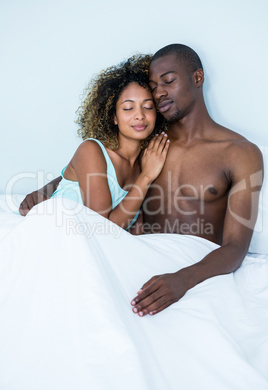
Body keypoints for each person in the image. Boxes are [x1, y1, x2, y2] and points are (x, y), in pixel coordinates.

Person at [19, 44, 263, 317]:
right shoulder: (149, 143)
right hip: (136, 254)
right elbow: (95, 164)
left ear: (197, 78)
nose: (159, 93)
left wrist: (183, 279)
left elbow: (236, 247)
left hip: (193, 266)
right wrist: (46, 189)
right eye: (153, 86)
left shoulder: (241, 153)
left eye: (168, 81)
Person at [21, 55, 170, 231]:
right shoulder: (91, 151)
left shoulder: (145, 162)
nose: (140, 115)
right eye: (128, 108)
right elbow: (102, 228)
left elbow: (134, 229)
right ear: (114, 117)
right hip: (51, 234)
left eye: (148, 107)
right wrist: (146, 178)